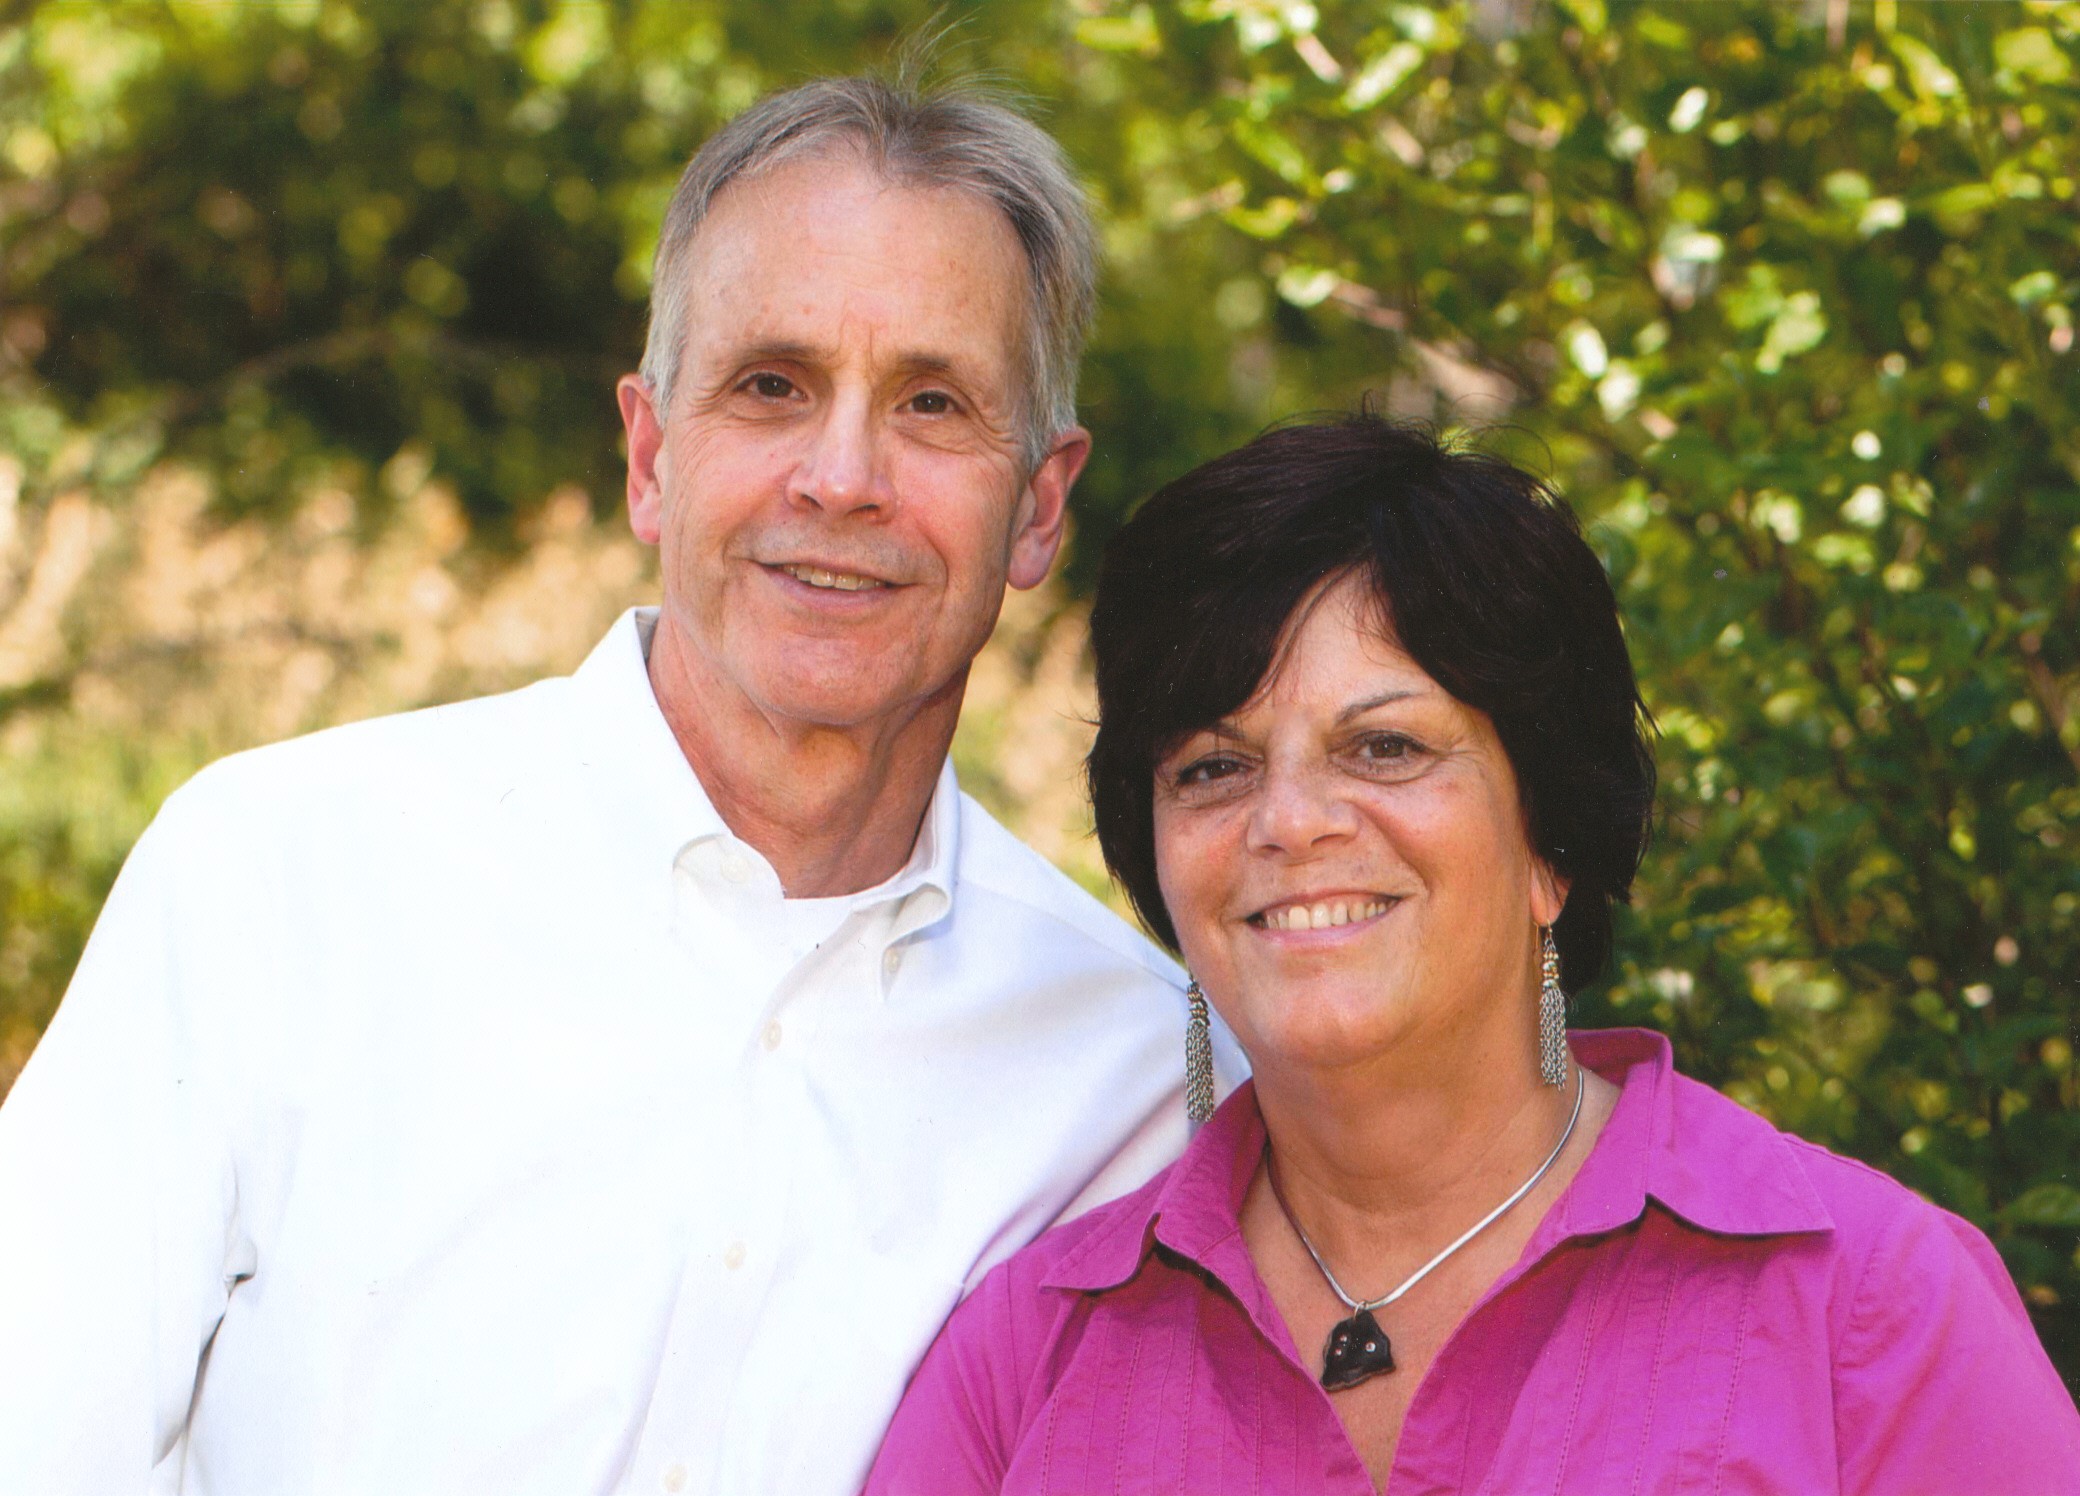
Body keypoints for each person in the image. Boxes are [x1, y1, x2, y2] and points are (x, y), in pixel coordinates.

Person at [0, 72, 1239, 1495]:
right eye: (772, 386)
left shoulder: (1141, 1078)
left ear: (1037, 506)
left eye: (932, 402)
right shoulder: (280, 874)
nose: (841, 477)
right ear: (652, 456)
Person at [866, 413, 2080, 1494]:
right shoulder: (1023, 1367)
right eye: (1213, 767)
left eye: (1384, 746)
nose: (1289, 820)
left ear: (1550, 837)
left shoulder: (1865, 1307)